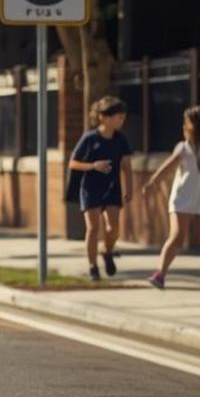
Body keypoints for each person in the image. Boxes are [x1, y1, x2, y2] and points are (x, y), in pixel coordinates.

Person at [142, 105, 200, 289]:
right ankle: (160, 274)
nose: (184, 126)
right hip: (182, 196)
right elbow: (168, 166)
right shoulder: (184, 148)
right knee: (176, 236)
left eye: (187, 123)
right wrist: (153, 183)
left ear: (196, 126)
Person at [68, 96, 132, 280]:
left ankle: (107, 251)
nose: (121, 121)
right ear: (104, 117)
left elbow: (127, 165)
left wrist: (129, 188)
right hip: (90, 188)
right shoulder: (89, 138)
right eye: (118, 117)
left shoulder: (121, 140)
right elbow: (73, 163)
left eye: (122, 117)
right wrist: (93, 166)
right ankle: (93, 266)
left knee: (113, 228)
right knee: (94, 227)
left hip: (112, 188)